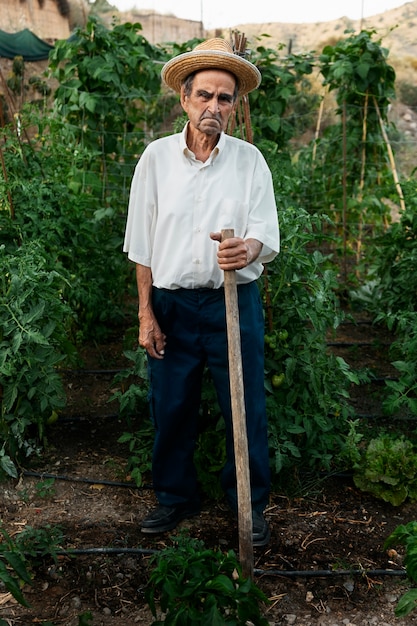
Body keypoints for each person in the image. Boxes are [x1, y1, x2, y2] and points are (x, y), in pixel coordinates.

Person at [123, 37, 280, 547]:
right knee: (170, 404)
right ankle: (175, 497)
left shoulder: (250, 161)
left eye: (225, 98)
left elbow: (265, 233)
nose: (214, 107)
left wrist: (248, 250)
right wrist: (146, 313)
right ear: (185, 99)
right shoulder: (155, 159)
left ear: (235, 106)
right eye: (205, 95)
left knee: (244, 405)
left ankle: (249, 506)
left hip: (231, 303)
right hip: (169, 302)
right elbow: (141, 243)